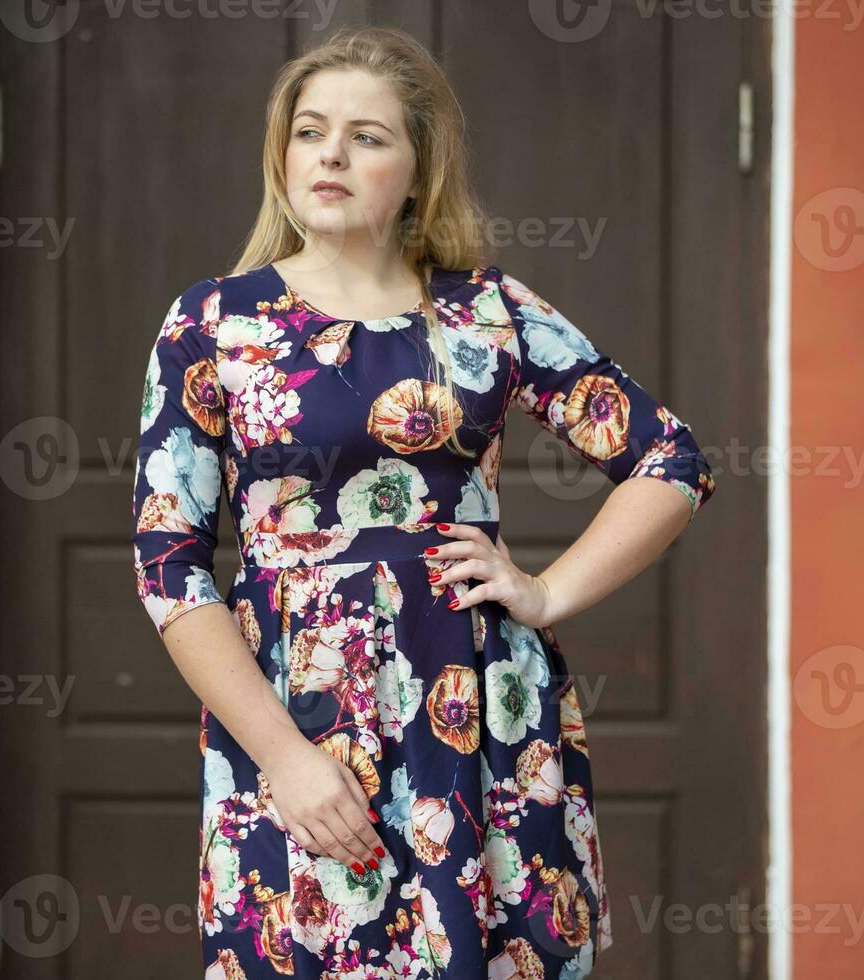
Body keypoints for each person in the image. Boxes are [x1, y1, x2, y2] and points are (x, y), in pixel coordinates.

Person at [132, 25, 717, 979]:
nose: (331, 154)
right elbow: (167, 563)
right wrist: (283, 756)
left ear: (418, 168)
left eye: (367, 136)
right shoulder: (213, 323)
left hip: (479, 711)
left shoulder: (487, 312)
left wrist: (547, 592)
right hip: (298, 717)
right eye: (311, 130)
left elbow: (669, 459)